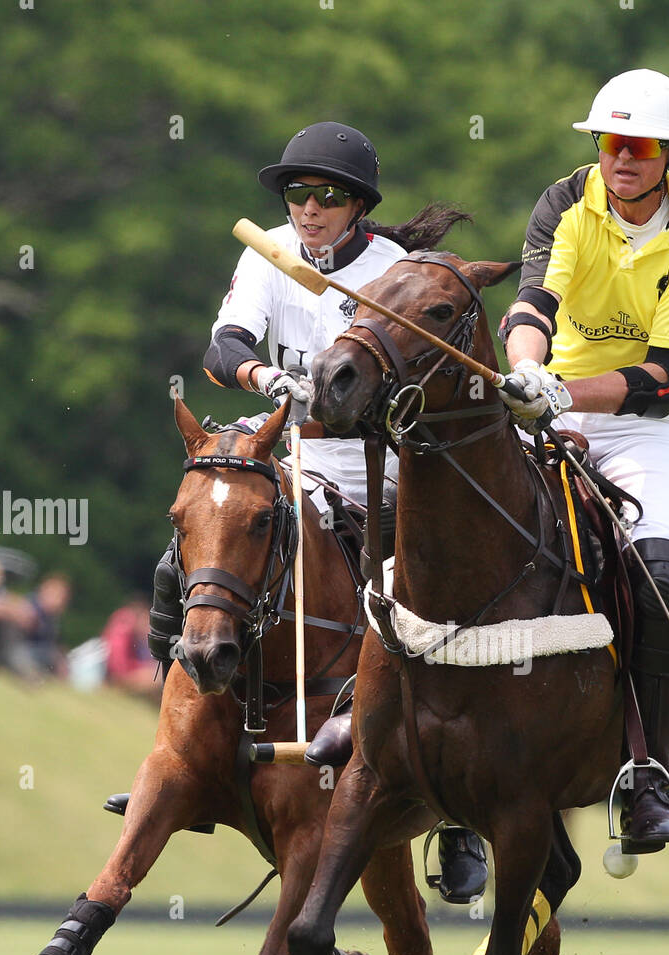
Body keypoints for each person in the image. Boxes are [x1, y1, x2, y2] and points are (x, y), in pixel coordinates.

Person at [147, 121, 486, 901]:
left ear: (359, 206)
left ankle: (457, 812)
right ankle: (180, 740)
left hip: (379, 470)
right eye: (299, 194)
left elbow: (415, 388)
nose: (308, 209)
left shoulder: (395, 271)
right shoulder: (268, 252)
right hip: (289, 458)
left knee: (431, 605)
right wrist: (270, 379)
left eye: (327, 197)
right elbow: (222, 347)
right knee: (191, 555)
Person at [497, 69, 669, 854]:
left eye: (635, 146)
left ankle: (647, 774)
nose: (618, 158)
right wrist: (528, 369)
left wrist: (565, 389)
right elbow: (536, 301)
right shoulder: (566, 200)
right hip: (548, 394)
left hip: (648, 427)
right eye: (608, 142)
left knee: (664, 578)